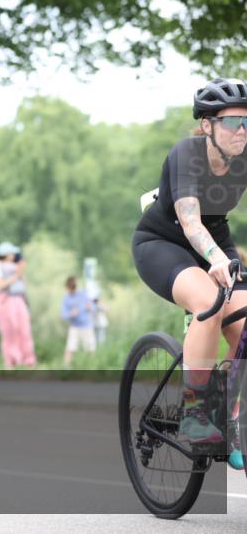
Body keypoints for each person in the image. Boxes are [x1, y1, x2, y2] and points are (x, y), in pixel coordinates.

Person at [132, 78, 247, 469]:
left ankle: (227, 408)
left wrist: (221, 255)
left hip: (216, 243)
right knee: (209, 302)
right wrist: (215, 259)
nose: (242, 131)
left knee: (244, 323)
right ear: (207, 126)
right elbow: (190, 220)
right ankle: (197, 415)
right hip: (163, 243)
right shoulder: (187, 154)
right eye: (233, 122)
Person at [0, 242, 37, 368]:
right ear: (6, 255)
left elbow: (23, 284)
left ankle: (28, 361)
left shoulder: (14, 266)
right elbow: (1, 284)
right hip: (4, 300)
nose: (15, 255)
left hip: (18, 299)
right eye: (12, 253)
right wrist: (16, 275)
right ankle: (11, 362)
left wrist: (20, 271)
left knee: (24, 330)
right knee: (10, 331)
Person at [61, 276, 95, 366]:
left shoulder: (84, 294)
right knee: (70, 348)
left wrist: (90, 307)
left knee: (90, 349)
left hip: (87, 325)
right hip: (74, 326)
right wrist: (71, 314)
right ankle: (65, 367)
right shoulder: (66, 298)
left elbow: (93, 306)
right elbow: (64, 314)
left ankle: (91, 367)